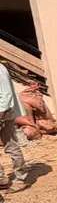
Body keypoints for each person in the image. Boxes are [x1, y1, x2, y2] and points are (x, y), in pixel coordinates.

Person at [0, 60, 28, 194]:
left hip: (3, 113)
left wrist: (1, 113)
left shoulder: (0, 69)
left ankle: (20, 179)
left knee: (10, 146)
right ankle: (1, 179)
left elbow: (6, 94)